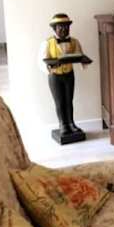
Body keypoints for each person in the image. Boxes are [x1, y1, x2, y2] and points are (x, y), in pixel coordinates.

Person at [37, 13, 91, 141]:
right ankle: (63, 124)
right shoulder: (47, 43)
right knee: (59, 102)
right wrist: (49, 67)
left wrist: (84, 62)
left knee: (69, 100)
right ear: (54, 28)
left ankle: (71, 123)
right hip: (55, 76)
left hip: (69, 74)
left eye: (66, 27)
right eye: (60, 27)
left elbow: (79, 54)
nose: (64, 29)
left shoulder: (74, 41)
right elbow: (41, 60)